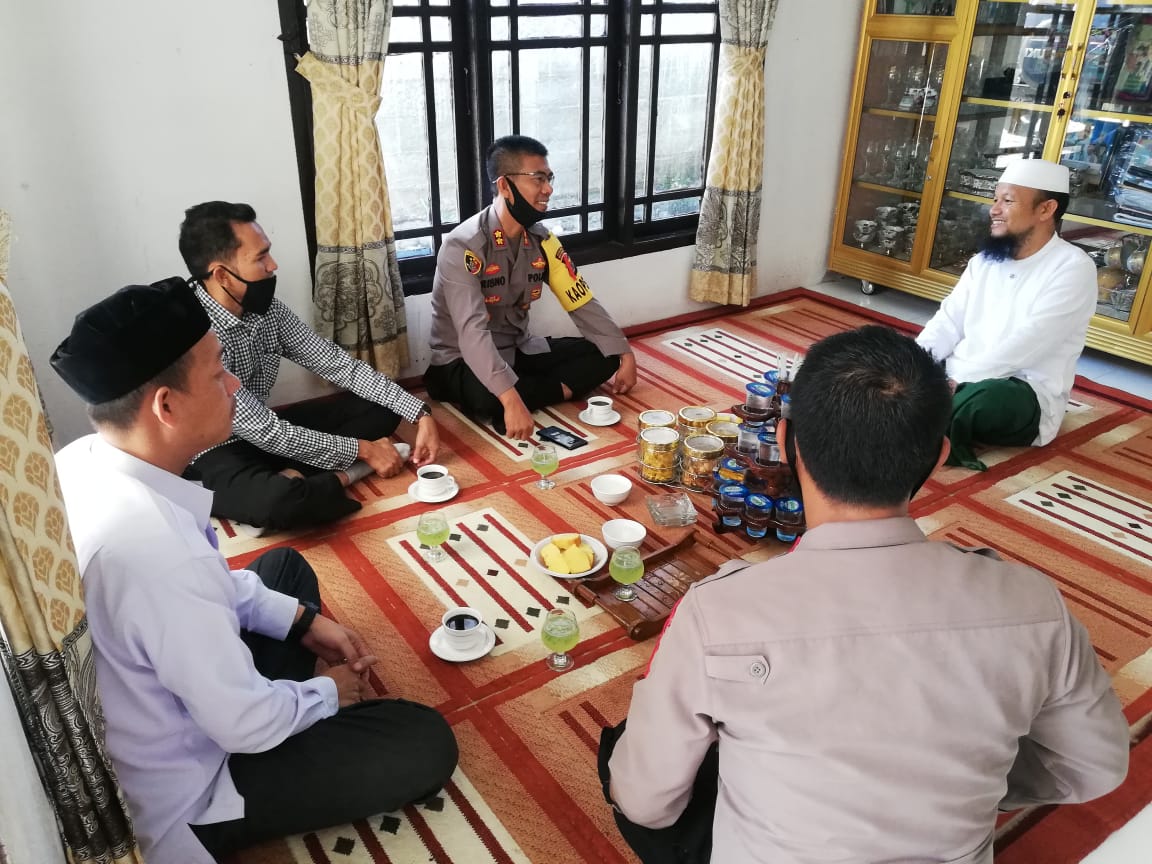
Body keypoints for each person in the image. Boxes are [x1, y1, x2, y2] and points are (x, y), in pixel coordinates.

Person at [601, 325, 1129, 864]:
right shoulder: (1034, 604)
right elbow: (1093, 766)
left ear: (785, 443)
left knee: (626, 750)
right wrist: (978, 777)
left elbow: (646, 804)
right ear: (939, 456)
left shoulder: (716, 612)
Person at [51, 278, 458, 863]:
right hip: (197, 784)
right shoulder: (152, 550)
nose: (235, 384)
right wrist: (328, 692)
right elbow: (242, 725)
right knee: (423, 741)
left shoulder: (82, 457)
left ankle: (285, 674)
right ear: (166, 406)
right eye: (218, 373)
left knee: (283, 568)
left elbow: (212, 585)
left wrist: (303, 621)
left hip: (171, 691)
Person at [179, 201, 441, 532]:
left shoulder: (267, 309)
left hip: (267, 431)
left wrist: (419, 412)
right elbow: (266, 432)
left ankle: (296, 477)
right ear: (221, 275)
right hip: (214, 449)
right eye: (260, 257)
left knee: (382, 409)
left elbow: (337, 364)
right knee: (278, 503)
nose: (273, 265)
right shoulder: (195, 335)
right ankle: (336, 476)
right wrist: (363, 451)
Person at [424, 135, 637, 439]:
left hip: (517, 348)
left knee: (605, 354)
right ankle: (520, 395)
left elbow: (580, 300)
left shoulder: (542, 240)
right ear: (504, 185)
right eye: (538, 179)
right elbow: (472, 333)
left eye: (549, 179)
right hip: (460, 359)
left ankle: (525, 393)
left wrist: (625, 353)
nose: (548, 189)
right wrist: (510, 399)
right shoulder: (464, 246)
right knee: (489, 398)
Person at [916, 158, 1097, 471]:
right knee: (889, 370)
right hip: (955, 375)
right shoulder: (984, 261)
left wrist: (951, 382)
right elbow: (948, 321)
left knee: (980, 400)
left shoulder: (1073, 268)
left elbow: (1026, 344)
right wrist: (913, 365)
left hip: (1021, 389)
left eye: (1008, 201)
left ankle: (913, 426)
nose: (994, 210)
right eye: (995, 199)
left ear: (1046, 209)